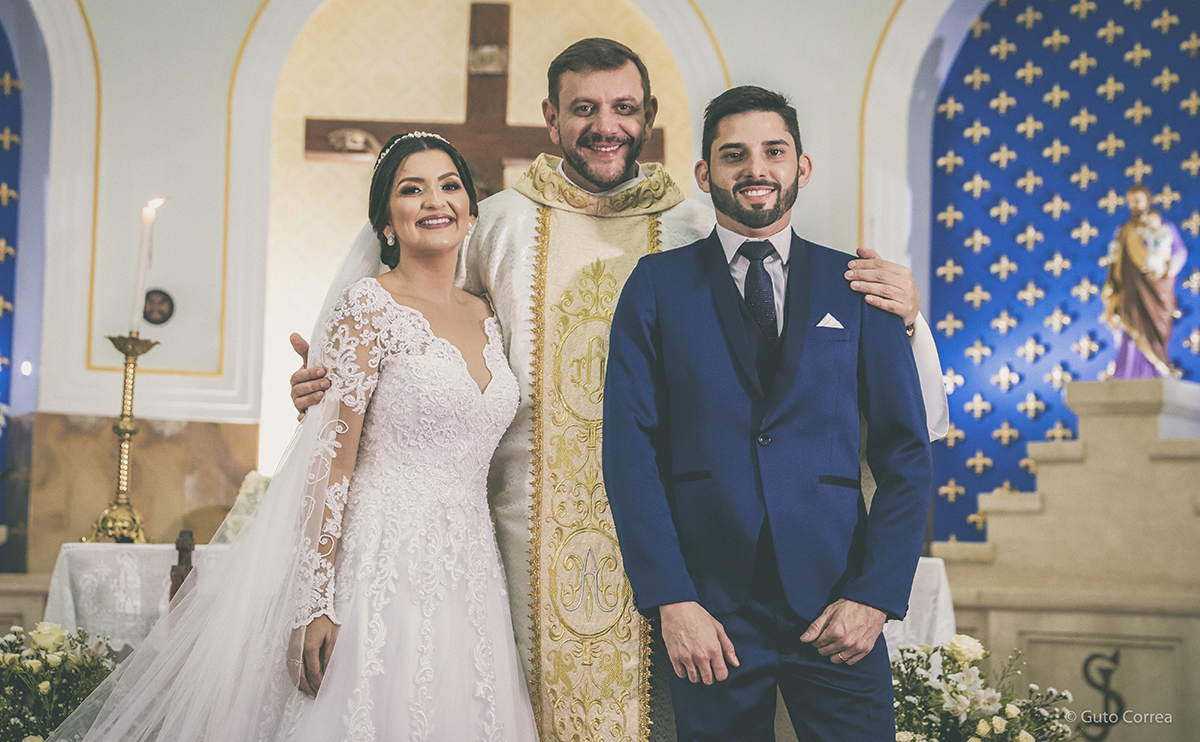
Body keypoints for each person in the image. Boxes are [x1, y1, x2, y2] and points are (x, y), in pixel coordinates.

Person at [290, 39, 947, 740]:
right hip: (524, 535)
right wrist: (334, 385)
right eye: (584, 109)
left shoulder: (697, 221)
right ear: (552, 117)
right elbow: (422, 323)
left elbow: (847, 402)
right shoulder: (498, 225)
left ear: (649, 116)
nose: (606, 126)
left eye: (623, 108)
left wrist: (910, 320)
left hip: (703, 552)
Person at [48, 133, 537, 742]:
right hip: (378, 559)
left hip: (470, 567)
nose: (435, 200)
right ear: (387, 222)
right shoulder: (367, 307)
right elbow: (331, 462)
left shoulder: (491, 314)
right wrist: (314, 601)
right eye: (412, 189)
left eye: (450, 185)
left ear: (470, 210)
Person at [602, 86, 934, 741]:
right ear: (705, 174)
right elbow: (629, 453)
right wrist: (672, 599)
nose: (756, 168)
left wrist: (873, 596)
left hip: (838, 600)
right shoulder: (655, 287)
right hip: (710, 610)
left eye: (774, 151)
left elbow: (906, 452)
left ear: (801, 168)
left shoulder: (858, 285)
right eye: (734, 155)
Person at [1102, 184, 1188, 379]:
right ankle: (1128, 371)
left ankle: (1157, 369)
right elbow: (1115, 260)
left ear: (1147, 201)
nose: (1135, 204)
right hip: (1130, 289)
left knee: (1154, 328)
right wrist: (1111, 283)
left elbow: (1180, 252)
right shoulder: (1124, 231)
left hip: (1155, 289)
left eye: (1138, 200)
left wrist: (1166, 269)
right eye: (1131, 201)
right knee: (1130, 325)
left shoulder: (1163, 227)